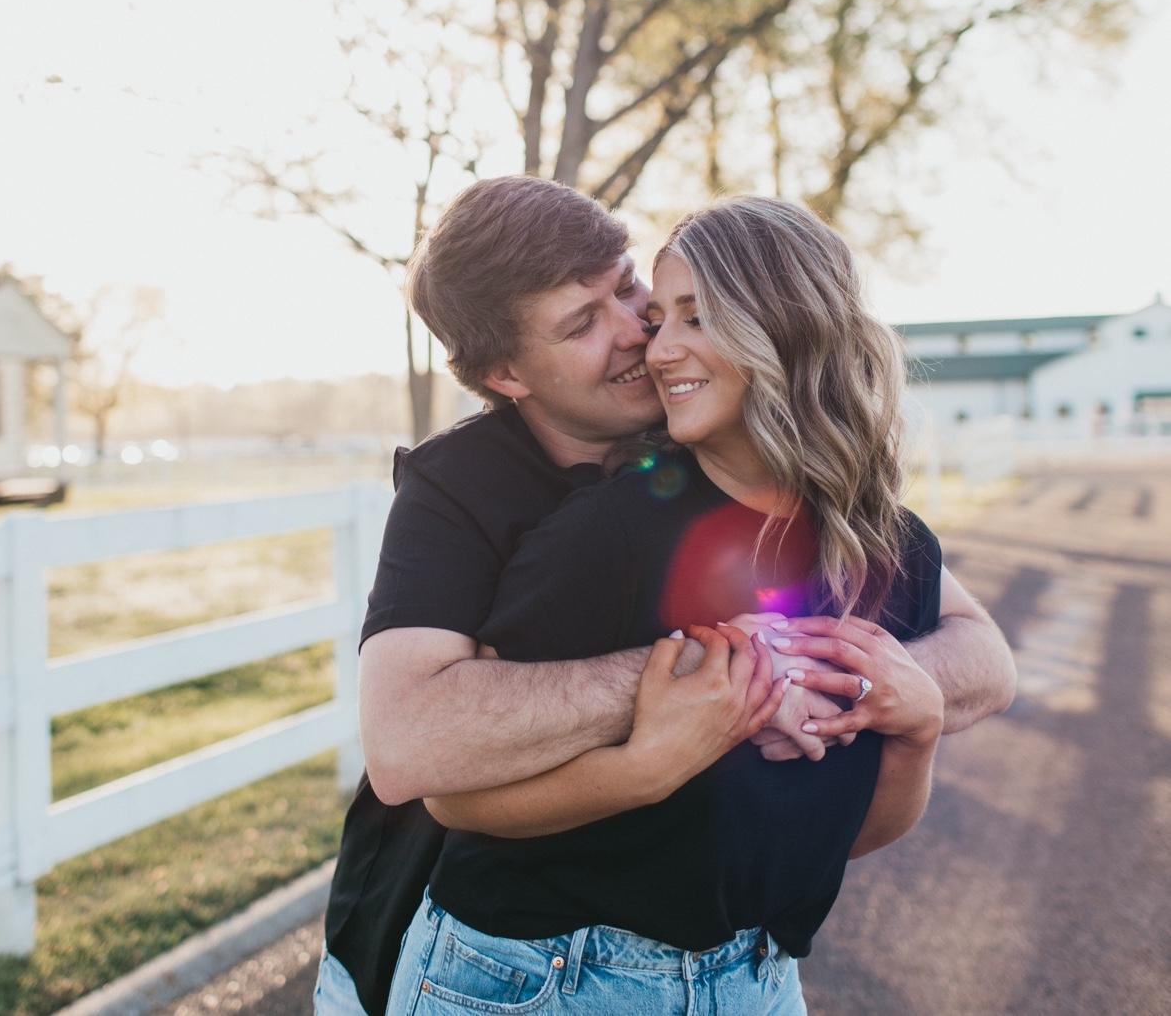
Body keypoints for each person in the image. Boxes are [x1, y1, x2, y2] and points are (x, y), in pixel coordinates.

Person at [315, 180, 1016, 1015]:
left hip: (740, 958)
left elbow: (978, 655)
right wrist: (718, 673)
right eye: (582, 324)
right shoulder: (464, 489)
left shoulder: (726, 446)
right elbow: (410, 746)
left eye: (628, 288)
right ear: (507, 374)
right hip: (469, 937)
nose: (639, 333)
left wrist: (844, 685)